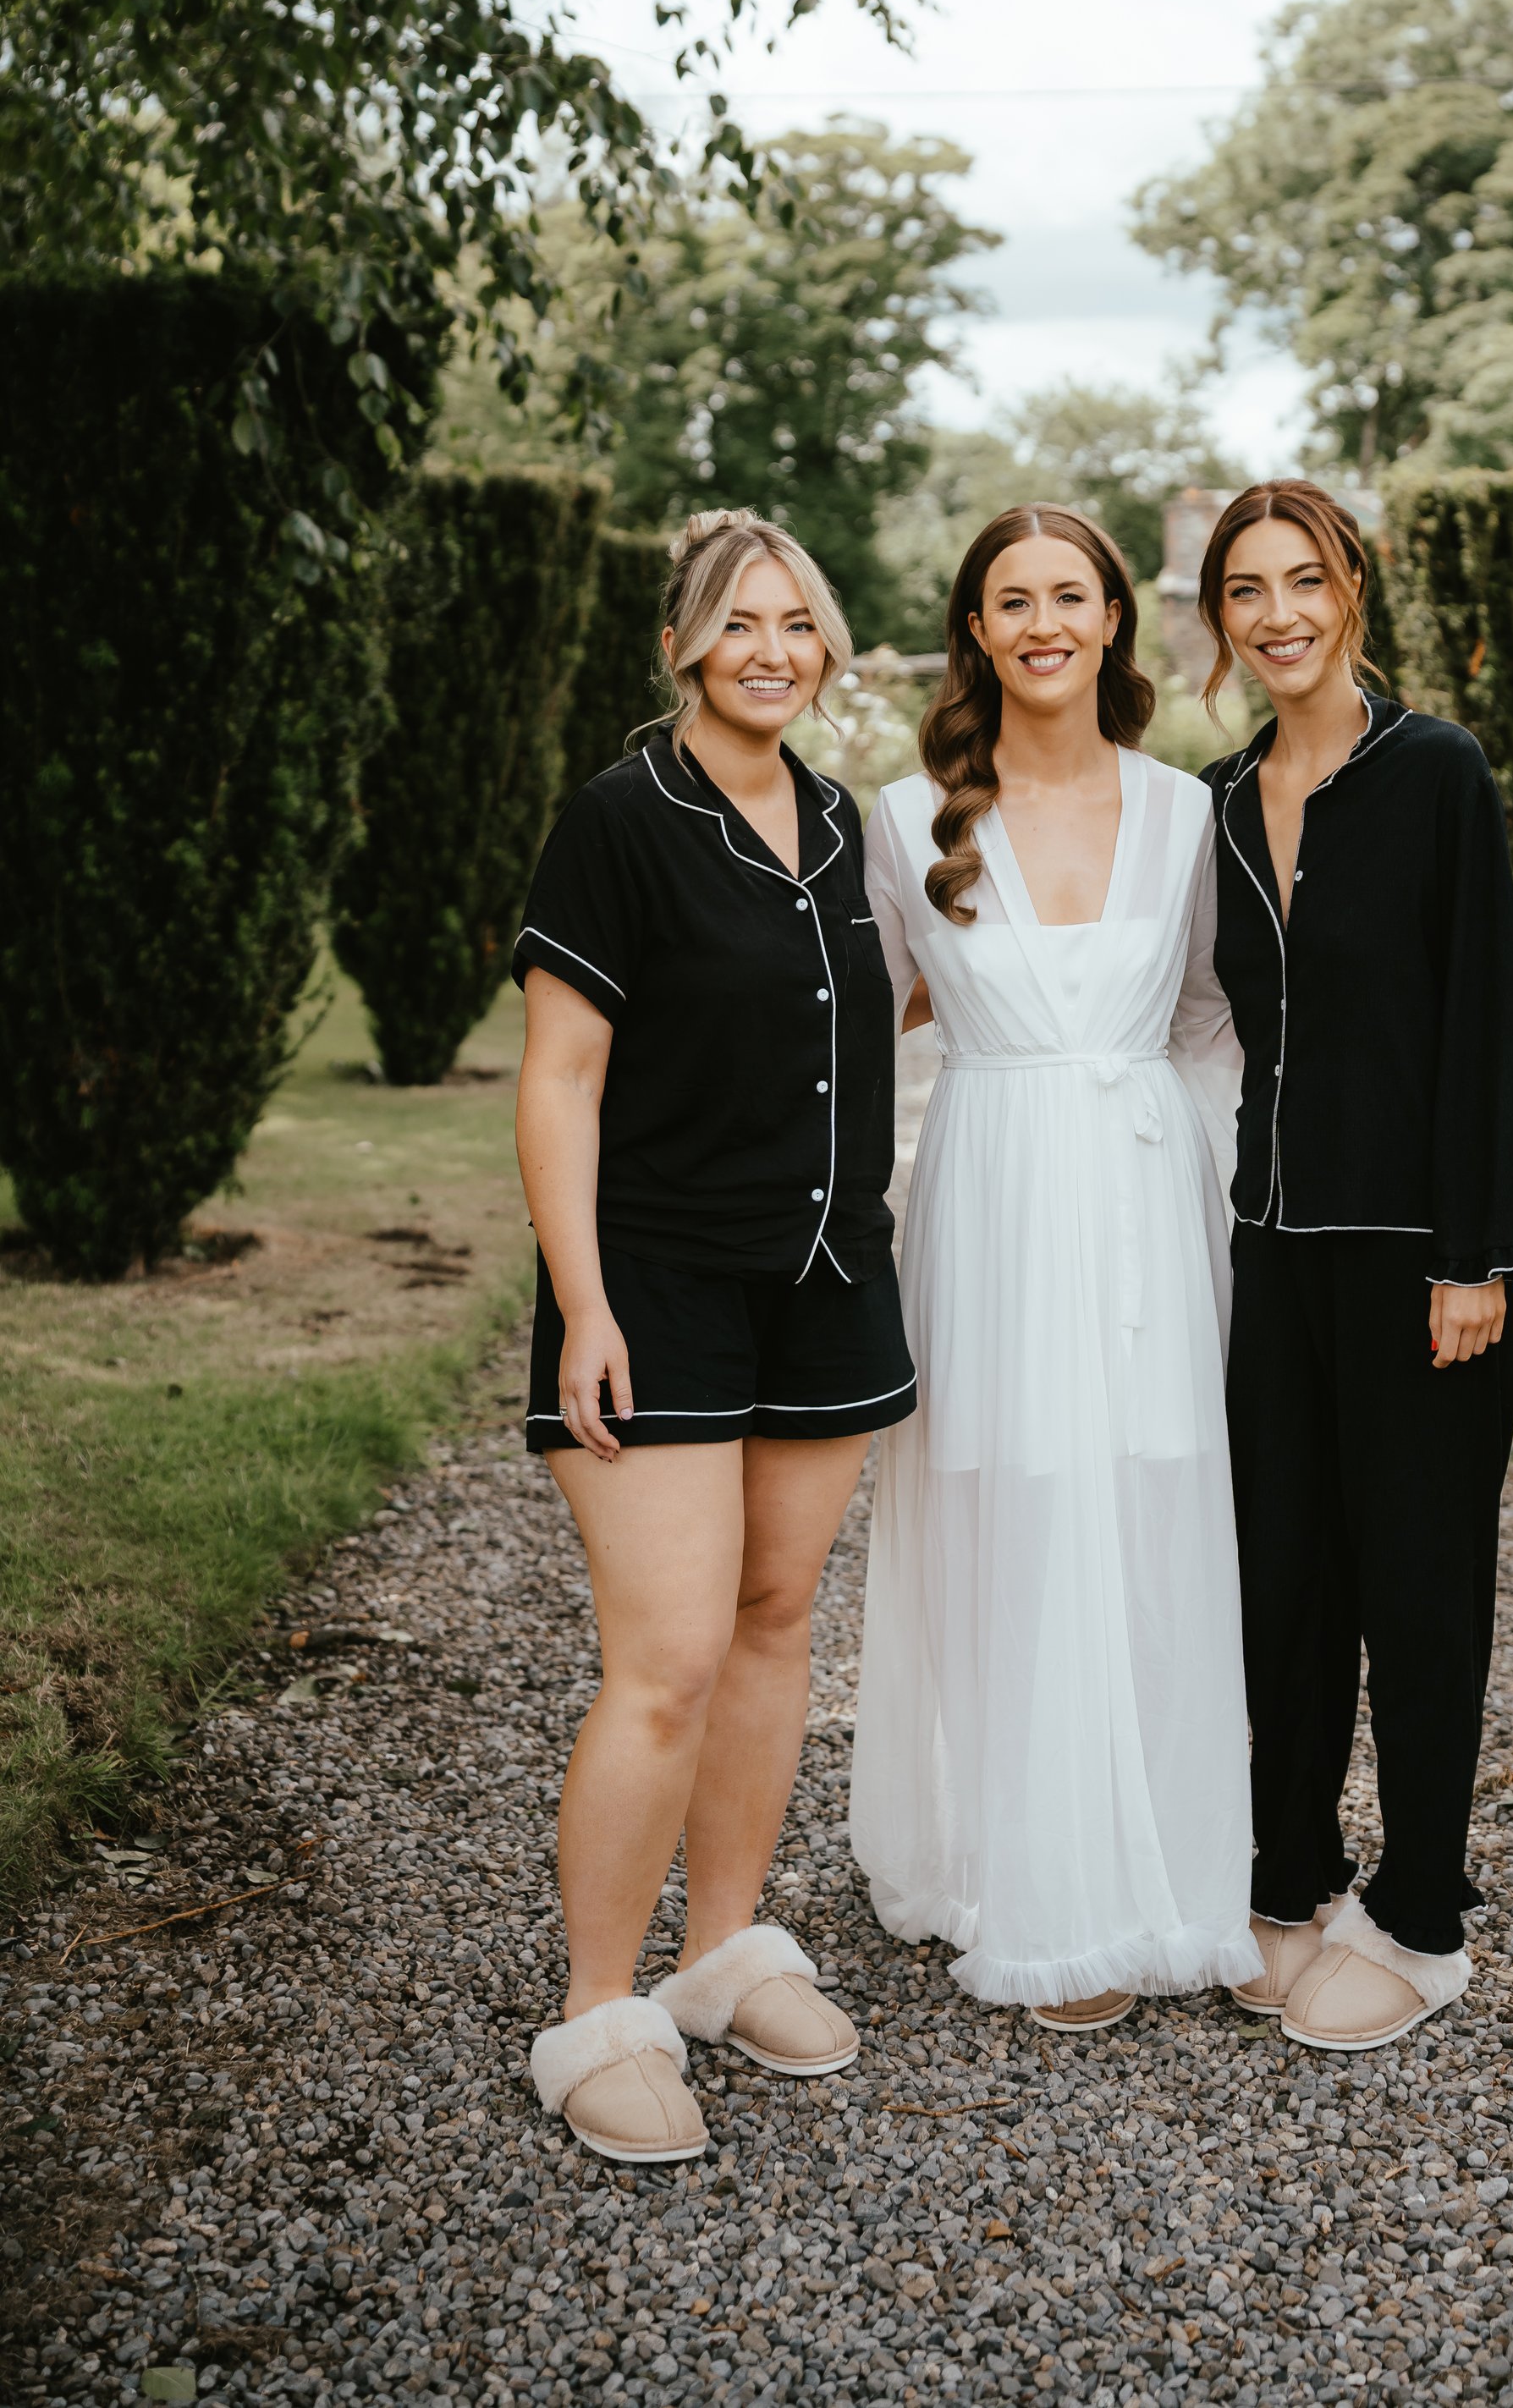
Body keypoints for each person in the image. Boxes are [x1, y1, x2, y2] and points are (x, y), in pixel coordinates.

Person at [512, 509, 916, 2163]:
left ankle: (724, 1951)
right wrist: (586, 1306)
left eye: (797, 624)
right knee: (664, 1662)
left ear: (825, 647)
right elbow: (559, 1079)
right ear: (687, 644)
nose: (772, 649)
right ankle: (596, 2012)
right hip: (658, 1281)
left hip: (823, 1277)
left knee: (769, 1625)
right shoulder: (622, 819)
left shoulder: (846, 828)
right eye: (740, 624)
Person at [849, 506, 1260, 2029]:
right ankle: (1026, 1877)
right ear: (974, 628)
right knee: (1009, 1498)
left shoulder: (1184, 812)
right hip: (994, 1189)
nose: (1039, 622)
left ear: (1109, 623)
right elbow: (857, 1013)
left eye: (1067, 596)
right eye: (1008, 599)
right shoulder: (902, 823)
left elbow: (1213, 1010)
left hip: (1148, 1193)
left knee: (1149, 1494)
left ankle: (1158, 1862)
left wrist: (1185, 1156)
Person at [1197, 479, 1513, 2053]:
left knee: (1421, 1591)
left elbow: (1487, 1013)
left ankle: (1425, 1912)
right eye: (1245, 589)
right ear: (1217, 615)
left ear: (1353, 588)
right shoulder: (1219, 799)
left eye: (1305, 579)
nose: (1277, 612)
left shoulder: (1434, 773)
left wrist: (1476, 1254)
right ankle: (1289, 1874)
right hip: (1271, 1260)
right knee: (1282, 1581)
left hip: (1425, 1264)